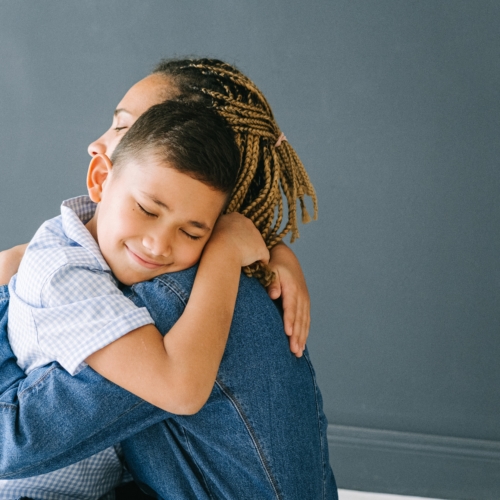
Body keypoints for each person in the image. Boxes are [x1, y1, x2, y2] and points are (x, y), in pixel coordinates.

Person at [0, 58, 338, 499]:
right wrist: (272, 249)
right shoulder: (172, 262)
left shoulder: (174, 297)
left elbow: (14, 439)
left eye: (125, 129)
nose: (95, 144)